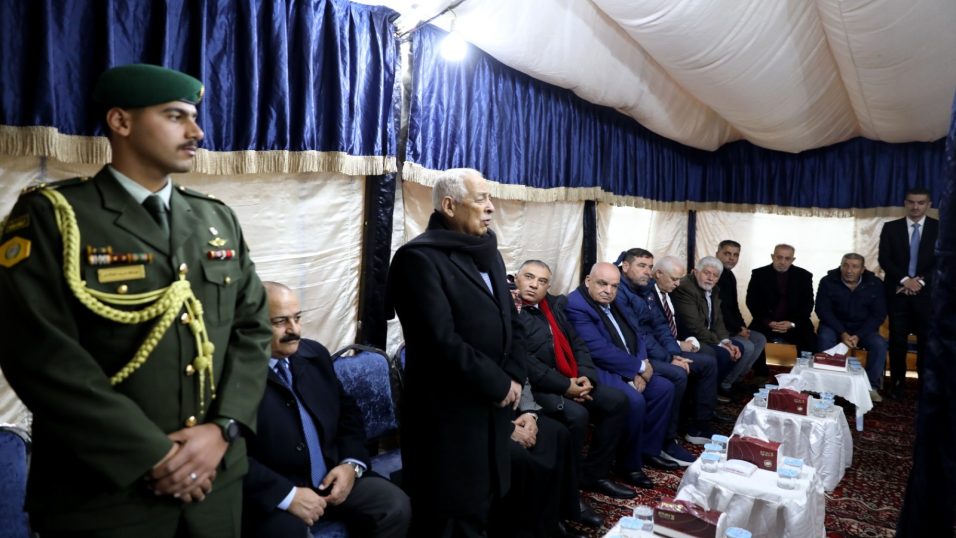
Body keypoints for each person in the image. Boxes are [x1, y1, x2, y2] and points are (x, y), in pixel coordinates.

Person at [0, 64, 272, 537]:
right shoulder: (54, 217)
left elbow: (253, 330)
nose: (196, 132)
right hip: (105, 497)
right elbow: (40, 354)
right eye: (175, 116)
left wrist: (222, 428)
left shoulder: (215, 219)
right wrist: (154, 455)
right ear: (121, 122)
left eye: (194, 117)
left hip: (216, 485)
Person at [386, 168, 526, 536]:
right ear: (449, 206)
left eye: (490, 198)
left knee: (486, 508)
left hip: (493, 411)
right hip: (450, 420)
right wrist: (499, 383)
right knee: (454, 517)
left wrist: (514, 376)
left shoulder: (489, 253)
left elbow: (513, 323)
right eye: (481, 199)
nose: (491, 207)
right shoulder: (417, 259)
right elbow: (438, 341)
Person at [242, 282, 410, 537]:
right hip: (277, 494)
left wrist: (350, 466)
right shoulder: (235, 378)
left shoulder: (314, 355)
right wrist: (288, 496)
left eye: (297, 318)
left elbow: (348, 415)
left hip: (331, 475)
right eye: (280, 322)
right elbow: (232, 457)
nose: (294, 329)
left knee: (394, 506)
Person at [513, 260, 634, 523]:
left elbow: (577, 343)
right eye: (529, 277)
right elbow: (523, 362)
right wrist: (565, 386)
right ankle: (567, 492)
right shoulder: (511, 311)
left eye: (542, 281)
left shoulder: (554, 306)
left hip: (570, 378)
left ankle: (594, 474)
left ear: (548, 286)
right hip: (537, 387)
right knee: (576, 415)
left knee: (617, 401)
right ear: (516, 278)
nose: (534, 285)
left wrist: (586, 377)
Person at [564, 262, 677, 489]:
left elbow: (637, 332)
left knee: (664, 389)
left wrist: (642, 365)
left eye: (614, 286)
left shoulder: (614, 301)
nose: (609, 290)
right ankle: (628, 465)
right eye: (602, 284)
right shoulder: (576, 305)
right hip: (597, 368)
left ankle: (648, 450)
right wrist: (638, 367)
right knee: (633, 400)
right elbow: (597, 350)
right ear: (588, 281)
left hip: (630, 363)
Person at [613, 249, 721, 465]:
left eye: (649, 266)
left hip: (655, 349)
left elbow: (661, 325)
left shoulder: (645, 288)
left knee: (707, 363)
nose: (647, 271)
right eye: (642, 266)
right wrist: (669, 359)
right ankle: (666, 440)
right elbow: (638, 334)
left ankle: (698, 425)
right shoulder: (620, 291)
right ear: (625, 266)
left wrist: (674, 353)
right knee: (678, 374)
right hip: (637, 353)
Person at [671, 257, 759, 406]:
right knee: (722, 353)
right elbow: (694, 326)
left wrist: (726, 341)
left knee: (738, 347)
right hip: (689, 337)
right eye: (707, 273)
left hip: (706, 336)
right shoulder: (686, 288)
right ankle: (699, 400)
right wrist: (720, 344)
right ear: (695, 271)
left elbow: (718, 321)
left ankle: (710, 394)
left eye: (715, 275)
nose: (711, 278)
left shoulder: (714, 289)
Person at [878, 186, 939, 400]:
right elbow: (884, 259)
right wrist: (905, 280)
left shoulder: (940, 228)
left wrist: (919, 282)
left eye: (920, 202)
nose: (915, 206)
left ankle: (925, 385)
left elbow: (943, 260)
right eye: (911, 202)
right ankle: (897, 384)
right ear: (905, 203)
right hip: (898, 292)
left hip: (926, 295)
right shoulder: (890, 228)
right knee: (897, 342)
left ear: (929, 205)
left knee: (926, 342)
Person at [815, 255, 887, 402]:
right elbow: (823, 310)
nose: (849, 270)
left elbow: (878, 314)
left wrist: (859, 335)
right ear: (840, 266)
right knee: (824, 338)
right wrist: (842, 332)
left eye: (855, 267)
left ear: (862, 269)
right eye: (845, 265)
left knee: (879, 344)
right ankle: (826, 385)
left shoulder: (875, 284)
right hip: (834, 326)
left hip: (863, 329)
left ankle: (870, 387)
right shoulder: (828, 281)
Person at [745, 244, 816, 353]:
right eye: (779, 257)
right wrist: (768, 322)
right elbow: (752, 301)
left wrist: (792, 323)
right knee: (752, 346)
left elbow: (808, 304)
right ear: (772, 257)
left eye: (787, 258)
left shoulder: (804, 276)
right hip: (765, 321)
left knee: (810, 345)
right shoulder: (759, 274)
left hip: (794, 322)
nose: (782, 262)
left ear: (793, 260)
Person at [715, 240, 769, 379]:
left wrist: (743, 327)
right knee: (748, 346)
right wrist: (738, 329)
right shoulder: (714, 274)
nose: (731, 258)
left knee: (759, 339)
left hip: (732, 326)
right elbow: (720, 309)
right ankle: (726, 383)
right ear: (717, 254)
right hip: (719, 328)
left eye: (735, 255)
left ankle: (737, 378)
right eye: (727, 253)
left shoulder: (730, 275)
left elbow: (734, 306)